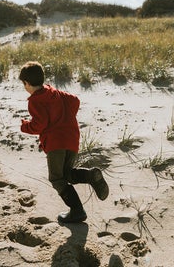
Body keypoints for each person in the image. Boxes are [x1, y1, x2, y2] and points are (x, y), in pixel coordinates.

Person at [19, 61, 109, 223]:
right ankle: (90, 175)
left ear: (27, 83)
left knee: (56, 178)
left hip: (55, 143)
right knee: (67, 174)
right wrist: (65, 118)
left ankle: (77, 211)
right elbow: (74, 100)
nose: (24, 88)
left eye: (24, 84)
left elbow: (39, 124)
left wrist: (25, 126)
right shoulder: (55, 92)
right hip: (71, 138)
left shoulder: (35, 100)